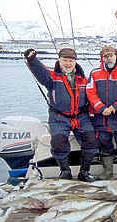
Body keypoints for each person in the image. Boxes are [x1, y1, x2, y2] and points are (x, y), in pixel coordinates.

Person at [23, 48, 98, 182]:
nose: (68, 63)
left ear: (75, 62)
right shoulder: (52, 76)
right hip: (59, 117)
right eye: (65, 60)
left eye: (70, 60)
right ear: (59, 61)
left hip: (81, 116)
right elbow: (40, 72)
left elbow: (92, 96)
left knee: (91, 141)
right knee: (58, 143)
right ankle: (65, 171)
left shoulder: (83, 79)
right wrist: (32, 60)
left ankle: (85, 172)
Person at [86, 46, 117, 181]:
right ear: (102, 59)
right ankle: (107, 171)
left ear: (116, 56)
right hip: (101, 116)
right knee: (103, 142)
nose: (109, 58)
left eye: (111, 56)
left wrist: (115, 107)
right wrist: (101, 108)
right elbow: (90, 92)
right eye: (105, 56)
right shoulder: (94, 73)